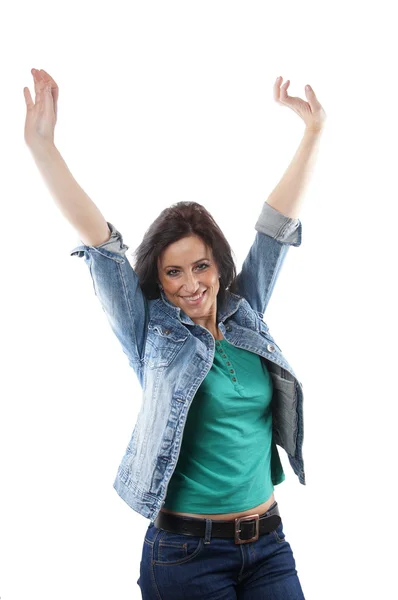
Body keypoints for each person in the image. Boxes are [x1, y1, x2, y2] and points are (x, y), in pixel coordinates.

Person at [24, 68, 326, 599]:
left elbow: (275, 228)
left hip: (268, 545)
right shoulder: (150, 333)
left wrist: (313, 132)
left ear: (219, 266)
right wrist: (44, 148)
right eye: (173, 272)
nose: (192, 284)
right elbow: (102, 245)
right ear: (157, 279)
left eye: (201, 266)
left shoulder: (245, 310)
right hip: (186, 556)